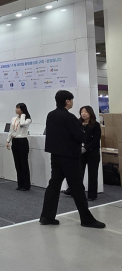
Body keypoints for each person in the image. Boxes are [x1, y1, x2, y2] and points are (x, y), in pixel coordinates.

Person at [39, 90, 105, 228]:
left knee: (54, 185)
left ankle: (46, 216)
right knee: (77, 188)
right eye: (72, 100)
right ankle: (86, 219)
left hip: (55, 156)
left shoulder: (51, 115)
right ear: (67, 101)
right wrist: (84, 131)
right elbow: (80, 137)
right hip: (70, 157)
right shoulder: (70, 117)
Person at [63, 106, 102, 201]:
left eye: (85, 112)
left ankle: (92, 195)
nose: (83, 114)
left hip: (92, 152)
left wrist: (86, 148)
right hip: (80, 151)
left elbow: (96, 139)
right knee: (78, 173)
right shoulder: (78, 123)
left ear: (90, 113)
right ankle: (74, 190)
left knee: (92, 174)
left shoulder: (95, 125)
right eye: (81, 112)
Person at [6, 103, 32, 191]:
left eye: (18, 108)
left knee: (24, 163)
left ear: (22, 109)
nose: (16, 110)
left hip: (22, 141)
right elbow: (11, 130)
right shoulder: (14, 119)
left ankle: (26, 185)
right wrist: (8, 140)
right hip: (15, 141)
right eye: (16, 108)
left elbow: (22, 124)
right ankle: (20, 183)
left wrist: (23, 115)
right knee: (17, 163)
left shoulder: (28, 119)